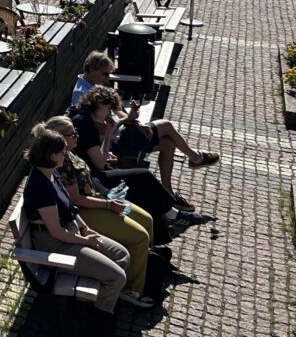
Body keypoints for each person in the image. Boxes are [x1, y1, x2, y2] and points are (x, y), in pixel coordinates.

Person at [44, 116, 162, 303]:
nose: (77, 136)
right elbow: (76, 199)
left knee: (147, 220)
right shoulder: (61, 162)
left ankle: (148, 266)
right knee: (140, 238)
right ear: (60, 137)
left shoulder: (69, 153)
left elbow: (90, 178)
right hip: (86, 211)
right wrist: (108, 204)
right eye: (72, 134)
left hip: (100, 200)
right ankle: (131, 288)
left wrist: (108, 194)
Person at [21, 125, 132, 315]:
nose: (65, 155)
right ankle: (95, 317)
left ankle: (92, 301)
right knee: (117, 278)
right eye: (62, 153)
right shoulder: (40, 186)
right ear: (51, 155)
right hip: (54, 244)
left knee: (122, 255)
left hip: (70, 233)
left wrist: (85, 228)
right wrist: (85, 241)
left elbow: (70, 208)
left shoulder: (52, 173)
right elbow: (56, 232)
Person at [72, 82, 219, 212]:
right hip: (104, 165)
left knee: (168, 144)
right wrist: (114, 131)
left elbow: (100, 150)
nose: (110, 113)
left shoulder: (88, 116)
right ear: (99, 104)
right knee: (164, 129)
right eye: (108, 109)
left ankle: (169, 195)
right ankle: (194, 160)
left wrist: (130, 120)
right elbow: (100, 162)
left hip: (109, 152)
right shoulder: (85, 123)